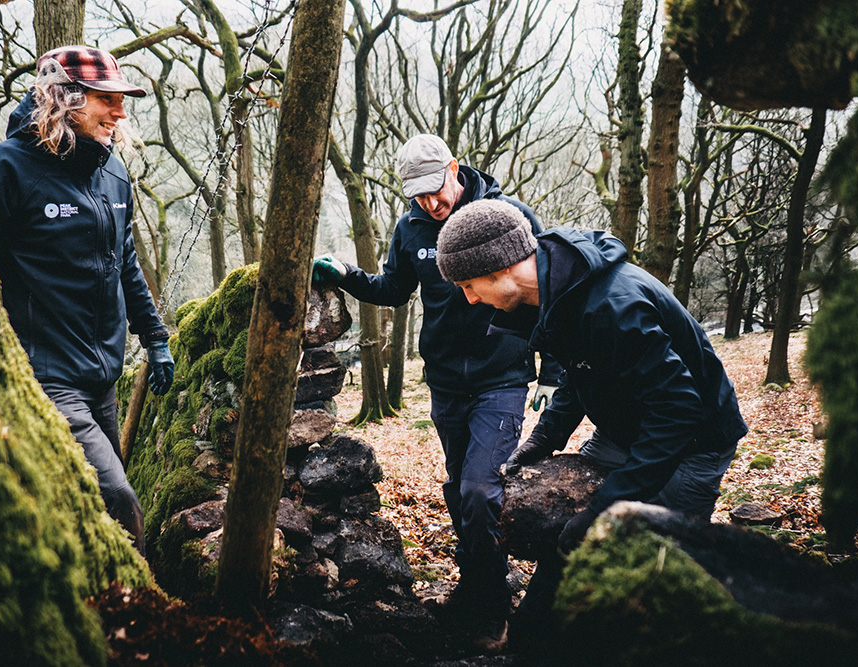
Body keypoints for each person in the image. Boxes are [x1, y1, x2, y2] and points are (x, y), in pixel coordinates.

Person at [435, 199, 748, 640]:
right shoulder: (555, 294)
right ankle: (530, 638)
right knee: (569, 539)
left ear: (500, 269)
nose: (469, 298)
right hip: (626, 427)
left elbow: (678, 413)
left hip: (694, 442)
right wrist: (539, 442)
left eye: (468, 285)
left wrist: (602, 511)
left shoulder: (612, 308)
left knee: (651, 560)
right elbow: (580, 377)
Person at [312, 135, 543, 650]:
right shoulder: (411, 228)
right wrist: (347, 275)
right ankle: (477, 588)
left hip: (501, 376)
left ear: (454, 169)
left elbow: (545, 287)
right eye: (418, 196)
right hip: (445, 381)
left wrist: (555, 371)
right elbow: (393, 290)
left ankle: (494, 613)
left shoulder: (505, 216)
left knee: (483, 492)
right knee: (461, 491)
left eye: (436, 190)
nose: (431, 204)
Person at [0, 46, 174, 556]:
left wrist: (155, 338)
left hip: (103, 377)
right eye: (107, 99)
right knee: (116, 497)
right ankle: (142, 617)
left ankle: (99, 602)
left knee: (91, 502)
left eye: (122, 100)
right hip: (45, 378)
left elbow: (125, 263)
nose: (120, 112)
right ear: (66, 98)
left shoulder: (113, 174)